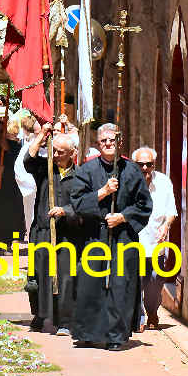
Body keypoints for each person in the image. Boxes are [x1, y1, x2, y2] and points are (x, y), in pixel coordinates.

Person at [69, 123, 152, 351]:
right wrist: (103, 192)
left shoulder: (133, 171)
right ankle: (87, 332)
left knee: (119, 285)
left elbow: (144, 205)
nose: (108, 144)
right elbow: (76, 202)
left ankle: (116, 336)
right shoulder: (86, 170)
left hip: (122, 238)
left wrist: (123, 217)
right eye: (104, 141)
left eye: (112, 140)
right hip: (94, 236)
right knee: (91, 284)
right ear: (98, 144)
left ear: (120, 143)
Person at [24, 123, 83, 336]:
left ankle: (64, 321)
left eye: (61, 152)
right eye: (54, 150)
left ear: (72, 154)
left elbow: (84, 204)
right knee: (38, 275)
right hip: (42, 231)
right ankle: (40, 315)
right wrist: (42, 135)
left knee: (66, 277)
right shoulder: (45, 169)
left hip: (67, 234)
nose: (56, 155)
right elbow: (28, 159)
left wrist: (66, 211)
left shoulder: (80, 176)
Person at [131, 146, 177, 331]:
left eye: (148, 164)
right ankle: (140, 316)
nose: (144, 168)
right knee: (136, 281)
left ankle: (152, 311)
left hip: (156, 244)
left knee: (155, 281)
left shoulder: (164, 182)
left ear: (154, 165)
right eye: (140, 164)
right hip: (134, 243)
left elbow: (171, 211)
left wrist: (166, 226)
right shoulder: (127, 182)